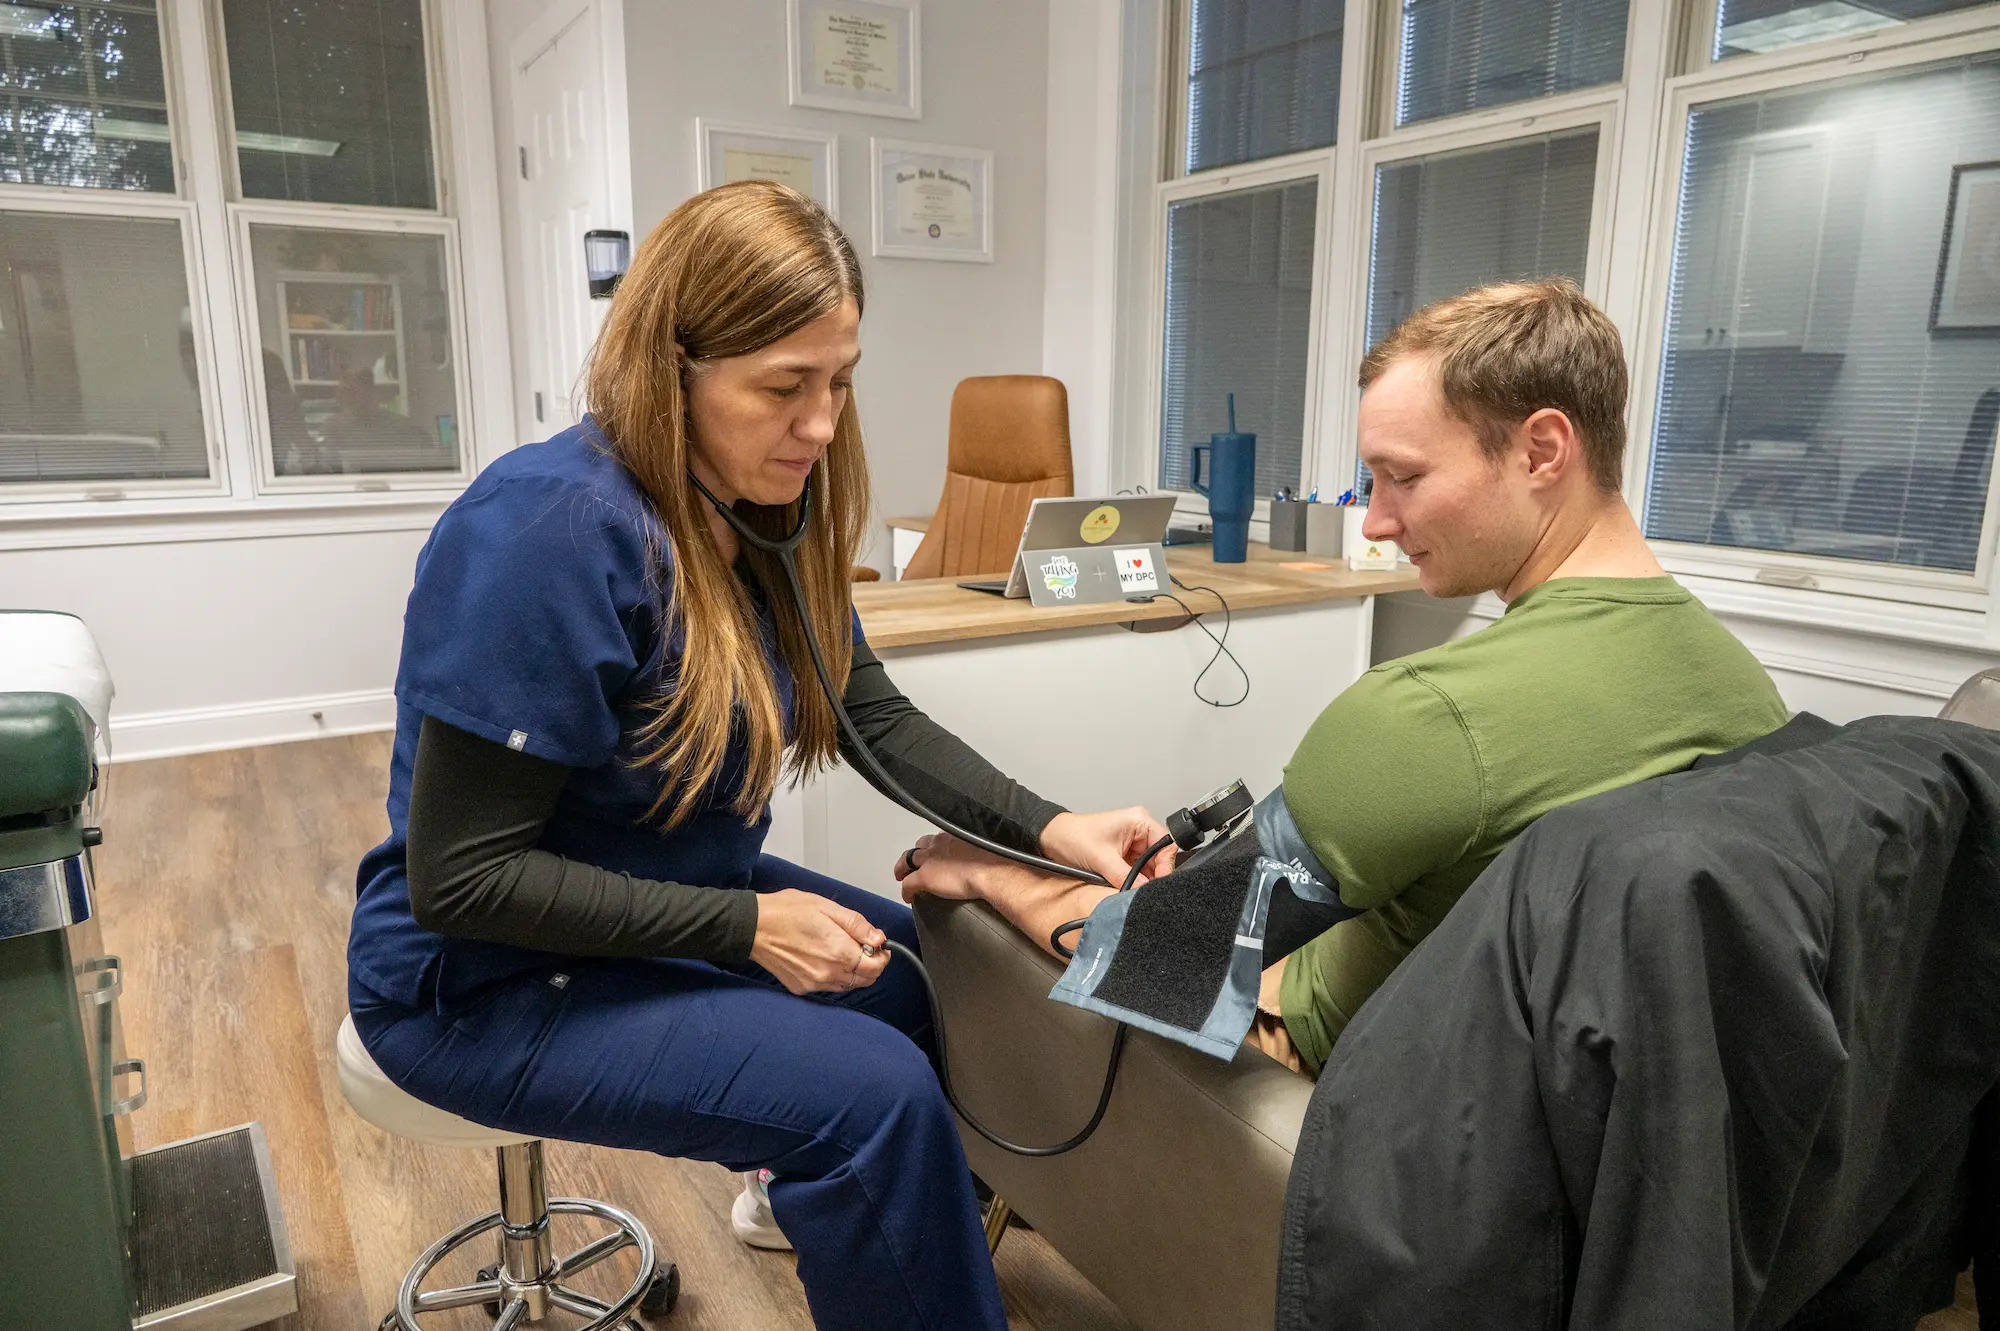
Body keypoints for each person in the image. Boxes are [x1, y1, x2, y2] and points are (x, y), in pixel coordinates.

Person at [345, 180, 1171, 1331]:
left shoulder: (761, 505)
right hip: (477, 978)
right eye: (785, 388)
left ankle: (839, 1218)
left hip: (654, 893)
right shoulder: (546, 531)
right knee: (870, 1098)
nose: (823, 424)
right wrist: (746, 925)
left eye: (839, 380)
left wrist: (1045, 827)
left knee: (915, 982)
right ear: (667, 367)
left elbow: (867, 713)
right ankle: (879, 1212)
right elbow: (465, 881)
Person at [897, 278, 1792, 1075]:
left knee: (976, 914)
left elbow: (1161, 957)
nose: (1375, 522)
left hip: (1369, 1102)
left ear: (1543, 450)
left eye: (1401, 478)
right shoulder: (1746, 689)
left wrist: (987, 873)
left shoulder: (1428, 717)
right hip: (1588, 1109)